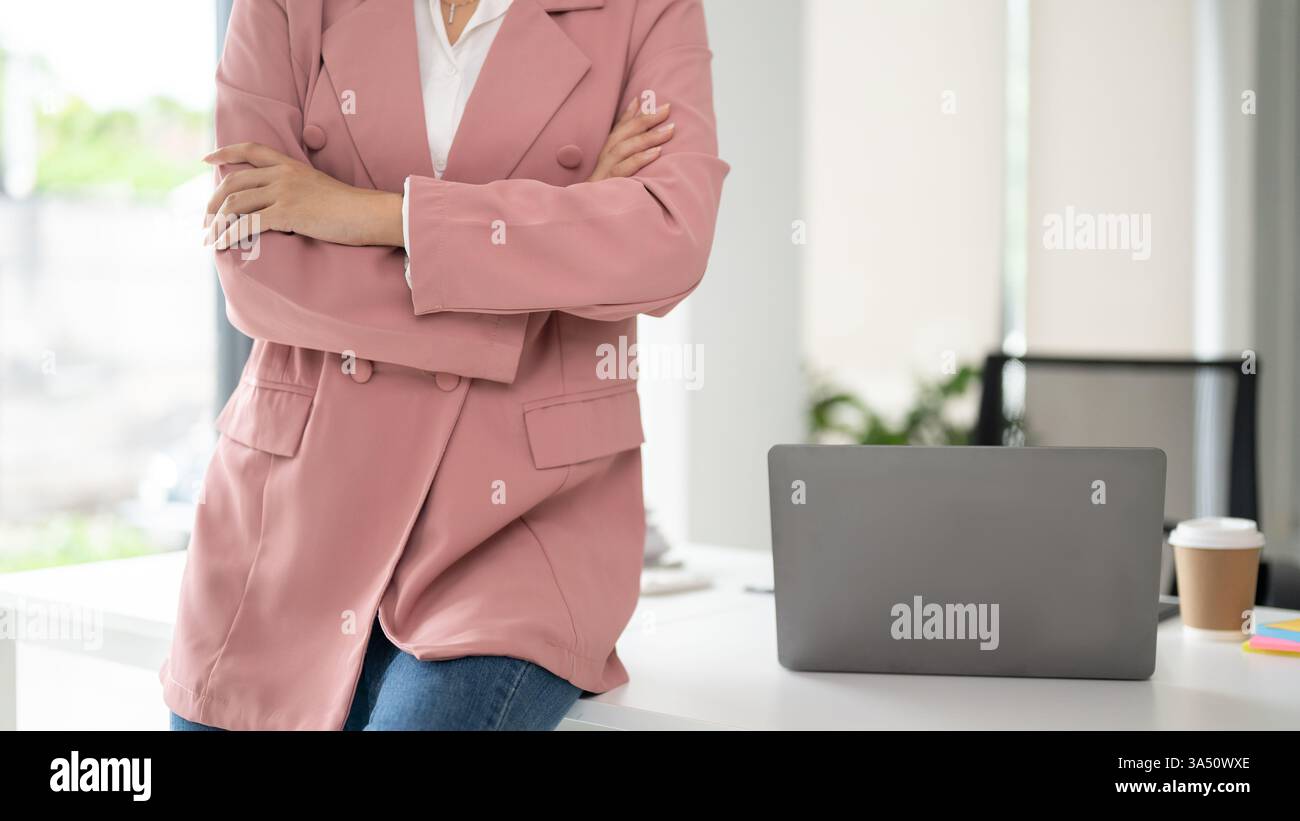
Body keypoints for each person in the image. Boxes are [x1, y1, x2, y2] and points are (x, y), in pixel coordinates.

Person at [163, 0, 727, 730]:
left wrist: (367, 214)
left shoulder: (648, 10)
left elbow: (667, 239)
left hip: (522, 527)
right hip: (293, 512)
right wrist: (561, 231)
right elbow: (256, 264)